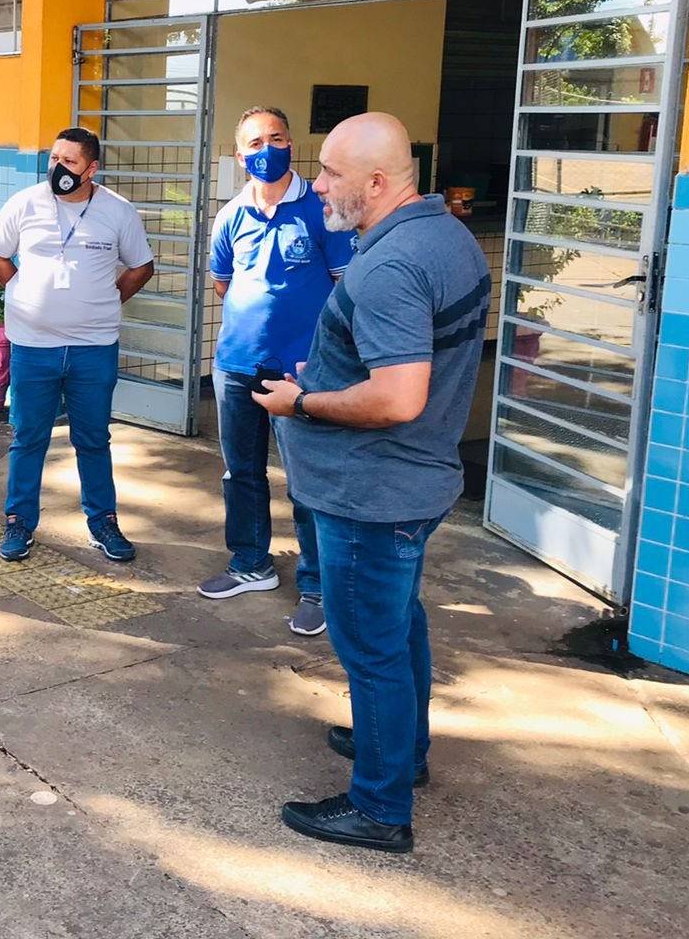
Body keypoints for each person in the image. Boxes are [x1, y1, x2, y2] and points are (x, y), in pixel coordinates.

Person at [254, 112, 489, 855]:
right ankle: (402, 752)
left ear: (378, 183)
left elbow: (396, 398)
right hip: (411, 483)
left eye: (330, 173)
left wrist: (304, 401)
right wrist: (326, 375)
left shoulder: (389, 266)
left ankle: (379, 808)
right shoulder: (443, 233)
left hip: (372, 492)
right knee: (398, 625)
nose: (316, 184)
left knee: (371, 648)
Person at [197, 107, 354, 638]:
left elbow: (345, 287)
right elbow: (225, 283)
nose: (268, 149)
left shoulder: (321, 207)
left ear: (291, 143)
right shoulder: (231, 215)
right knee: (241, 472)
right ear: (240, 156)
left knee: (307, 480)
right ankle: (250, 564)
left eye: (277, 138)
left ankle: (316, 585)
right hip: (238, 364)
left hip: (303, 371)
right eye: (256, 142)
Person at [0, 126, 155, 564]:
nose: (58, 167)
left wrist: (107, 300)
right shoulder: (24, 204)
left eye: (70, 161)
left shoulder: (117, 211)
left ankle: (102, 522)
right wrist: (19, 292)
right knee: (28, 437)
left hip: (93, 347)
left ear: (91, 169)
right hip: (33, 346)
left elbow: (141, 266)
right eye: (54, 158)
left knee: (94, 438)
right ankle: (19, 522)